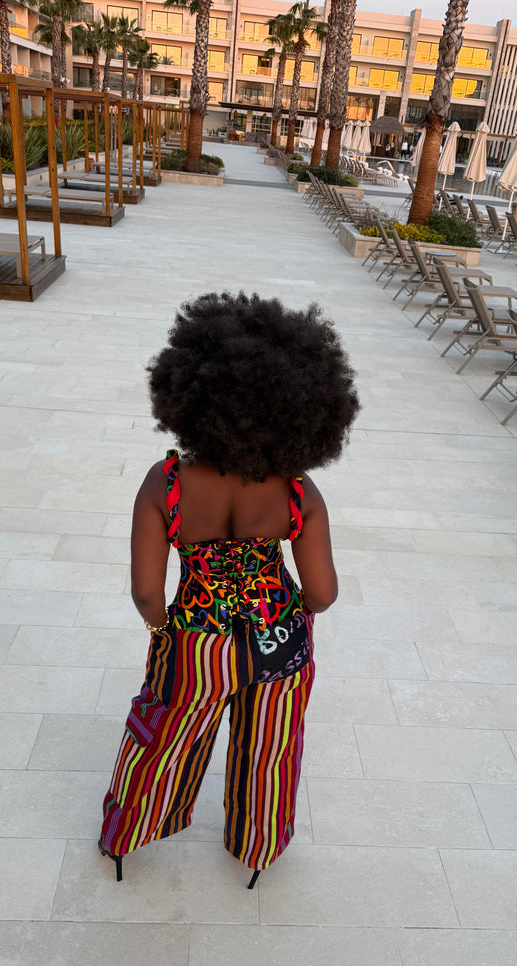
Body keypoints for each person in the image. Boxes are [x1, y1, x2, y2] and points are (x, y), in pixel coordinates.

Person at [99, 292, 360, 888]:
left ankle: (127, 835)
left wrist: (161, 629)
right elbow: (321, 594)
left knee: (163, 735)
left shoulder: (164, 483)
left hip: (194, 638)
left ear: (190, 397)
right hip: (280, 644)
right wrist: (288, 612)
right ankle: (257, 849)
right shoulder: (299, 494)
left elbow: (145, 591)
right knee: (270, 750)